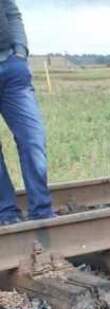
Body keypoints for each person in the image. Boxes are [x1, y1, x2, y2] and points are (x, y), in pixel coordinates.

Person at [0, 0, 53, 223]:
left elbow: (11, 12)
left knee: (33, 141)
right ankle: (6, 213)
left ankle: (41, 211)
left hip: (12, 69)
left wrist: (20, 52)